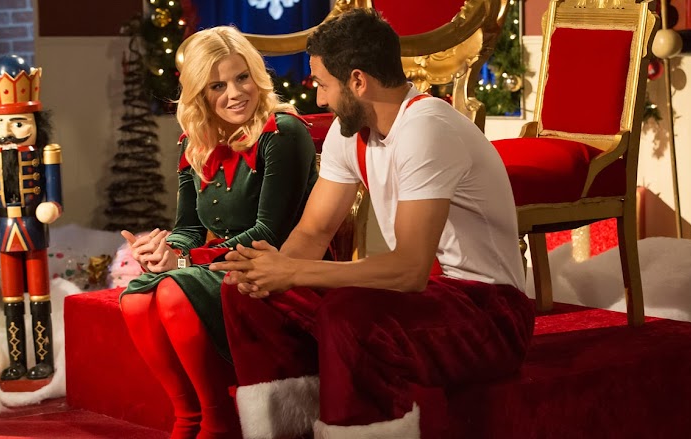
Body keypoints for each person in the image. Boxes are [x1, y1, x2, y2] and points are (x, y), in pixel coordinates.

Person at [210, 8, 535, 439]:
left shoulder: (427, 129)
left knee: (351, 315)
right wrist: (271, 274)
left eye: (323, 85)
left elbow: (409, 269)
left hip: (490, 313)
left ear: (358, 81)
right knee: (247, 295)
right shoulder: (351, 131)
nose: (320, 100)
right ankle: (288, 429)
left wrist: (293, 272)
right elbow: (314, 231)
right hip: (422, 297)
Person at [119, 26, 318, 439]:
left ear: (256, 75)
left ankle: (216, 420)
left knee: (173, 291)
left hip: (279, 266)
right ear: (199, 94)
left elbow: (269, 232)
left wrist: (185, 260)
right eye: (217, 85)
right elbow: (190, 227)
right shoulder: (194, 142)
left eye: (242, 77)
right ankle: (187, 416)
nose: (235, 93)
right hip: (221, 264)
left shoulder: (282, 132)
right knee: (135, 299)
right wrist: (163, 248)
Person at [0, 55, 61, 381]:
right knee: (10, 299)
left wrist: (52, 207)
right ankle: (17, 361)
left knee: (38, 296)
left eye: (18, 123)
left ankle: (43, 359)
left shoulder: (45, 155)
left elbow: (54, 195)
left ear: (36, 124)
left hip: (33, 229)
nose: (6, 132)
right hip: (5, 230)